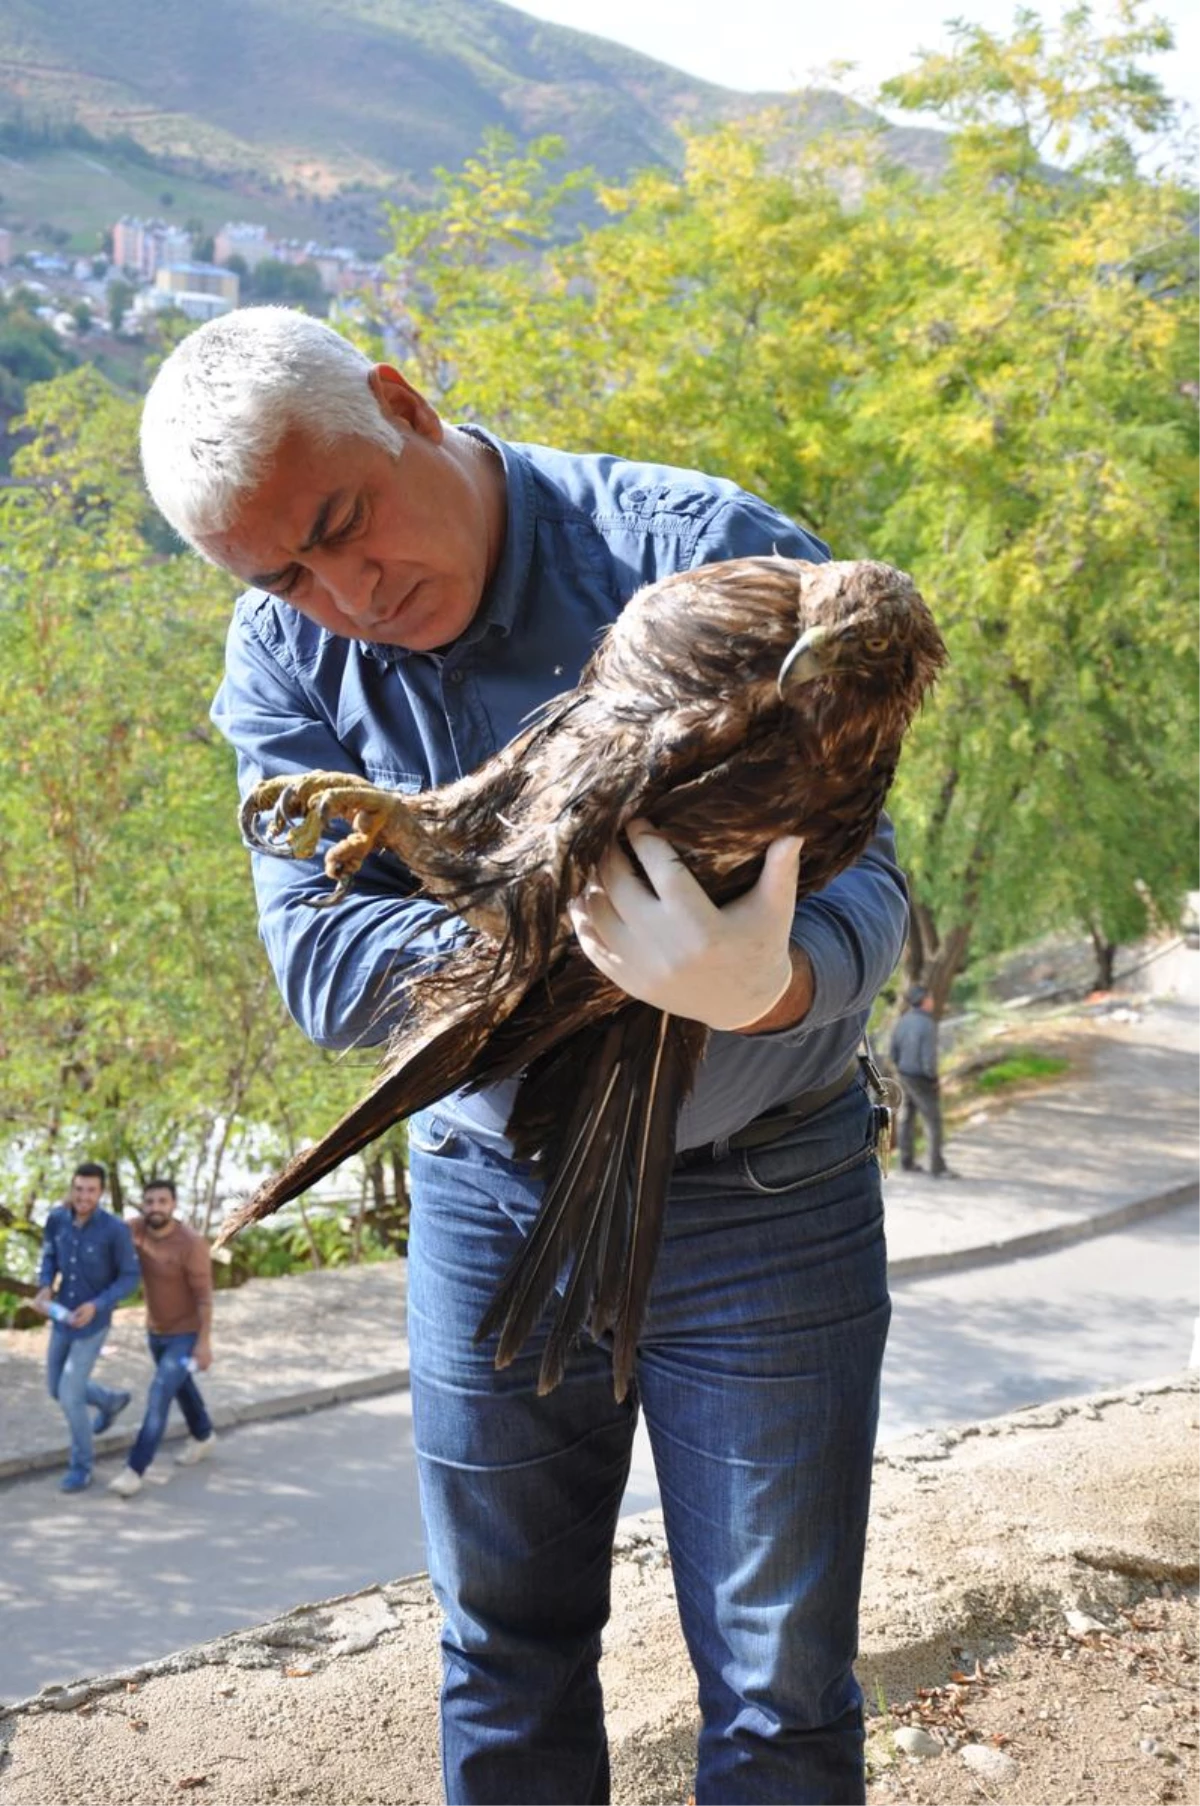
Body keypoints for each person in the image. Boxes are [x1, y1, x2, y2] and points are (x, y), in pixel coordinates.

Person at [140, 306, 909, 1806]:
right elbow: (323, 961)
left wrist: (767, 982)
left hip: (770, 1196)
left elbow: (874, 885)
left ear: (402, 403)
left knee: (779, 1683)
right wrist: (570, 952)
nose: (341, 595)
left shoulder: (698, 551)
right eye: (280, 574)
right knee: (501, 1648)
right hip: (493, 1195)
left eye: (342, 526)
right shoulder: (284, 654)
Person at [34, 1161, 140, 1492]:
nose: (83, 1196)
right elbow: (50, 1255)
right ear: (72, 1187)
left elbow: (130, 1278)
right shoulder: (56, 1219)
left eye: (91, 1190)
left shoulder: (114, 1230)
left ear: (101, 1192)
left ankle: (81, 1466)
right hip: (61, 1317)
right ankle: (109, 1401)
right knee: (56, 1388)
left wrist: (97, 1305)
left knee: (69, 1396)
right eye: (78, 1189)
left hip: (93, 1324)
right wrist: (44, 1285)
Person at [108, 1177, 216, 1498]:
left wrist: (204, 1343)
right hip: (155, 1332)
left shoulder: (191, 1244)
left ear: (173, 1205)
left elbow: (205, 1298)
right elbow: (105, 1233)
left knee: (159, 1394)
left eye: (162, 1202)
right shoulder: (136, 1230)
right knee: (181, 1388)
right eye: (150, 1201)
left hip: (185, 1335)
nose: (155, 1208)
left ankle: (134, 1470)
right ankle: (204, 1435)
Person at [889, 984, 950, 1176]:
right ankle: (937, 1166)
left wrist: (900, 1068)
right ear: (924, 1001)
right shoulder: (928, 1024)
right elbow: (928, 1058)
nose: (933, 1002)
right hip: (921, 1078)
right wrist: (933, 1078)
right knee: (933, 1120)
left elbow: (893, 1051)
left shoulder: (902, 1021)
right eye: (930, 998)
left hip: (903, 1075)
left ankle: (906, 1162)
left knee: (906, 1118)